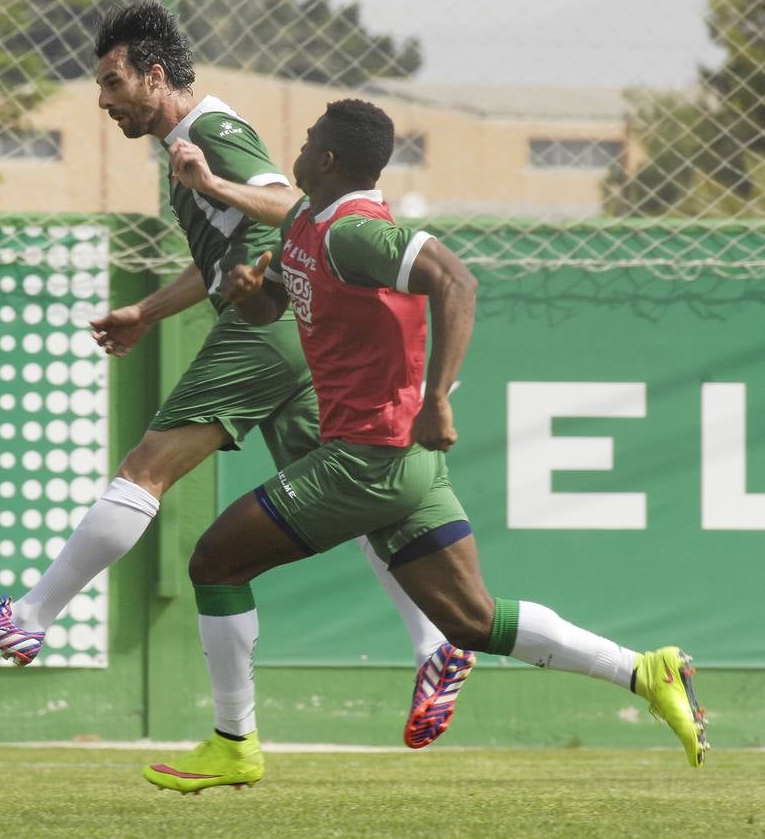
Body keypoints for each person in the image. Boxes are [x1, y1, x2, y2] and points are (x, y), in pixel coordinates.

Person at [0, 0, 474, 753]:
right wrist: (149, 312)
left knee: (144, 470)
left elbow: (287, 206)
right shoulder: (185, 146)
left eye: (113, 81)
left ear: (156, 76)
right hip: (294, 335)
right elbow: (222, 256)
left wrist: (217, 194)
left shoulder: (210, 133)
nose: (102, 99)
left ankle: (29, 619)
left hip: (269, 330)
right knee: (363, 508)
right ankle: (435, 644)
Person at [141, 98, 708, 793]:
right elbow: (276, 306)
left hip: (364, 460)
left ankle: (233, 743)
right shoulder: (305, 224)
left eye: (312, 135)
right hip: (402, 464)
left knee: (215, 563)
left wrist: (438, 395)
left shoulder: (355, 232)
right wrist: (249, 292)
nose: (302, 140)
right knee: (471, 620)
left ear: (325, 160)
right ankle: (643, 671)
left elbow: (453, 279)